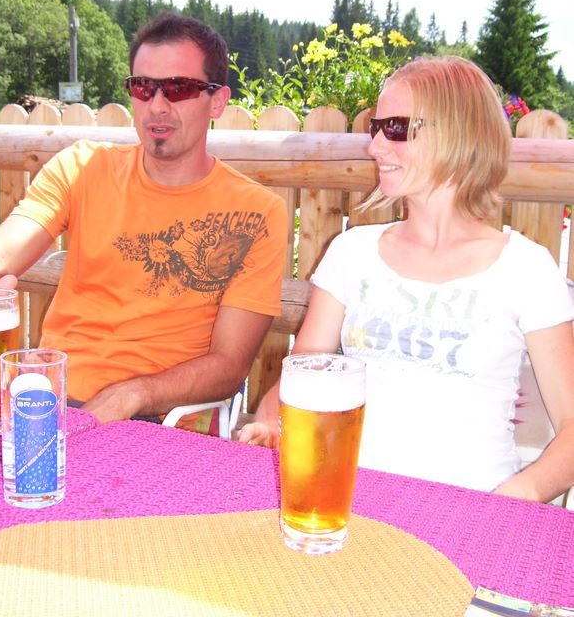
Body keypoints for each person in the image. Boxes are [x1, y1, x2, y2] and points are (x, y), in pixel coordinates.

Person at [239, 56, 574, 503]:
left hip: (472, 510)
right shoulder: (352, 252)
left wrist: (516, 497)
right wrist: (268, 422)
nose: (375, 146)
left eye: (396, 128)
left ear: (458, 133)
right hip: (346, 503)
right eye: (375, 128)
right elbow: (301, 377)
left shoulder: (525, 269)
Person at [0, 13, 287, 426]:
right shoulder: (82, 168)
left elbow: (230, 366)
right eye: (143, 87)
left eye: (178, 88)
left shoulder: (256, 213)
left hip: (162, 419)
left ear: (217, 101)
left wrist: (132, 395)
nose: (157, 105)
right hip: (50, 402)